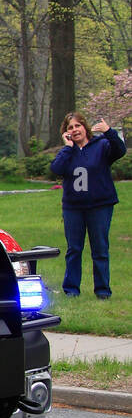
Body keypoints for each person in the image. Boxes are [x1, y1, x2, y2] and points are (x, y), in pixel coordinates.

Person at [51, 112, 125, 298]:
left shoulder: (101, 146)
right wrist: (68, 147)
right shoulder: (67, 152)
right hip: (73, 208)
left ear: (85, 127)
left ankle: (102, 291)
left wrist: (109, 132)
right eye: (70, 128)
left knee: (99, 248)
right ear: (66, 133)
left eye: (78, 126)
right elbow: (56, 169)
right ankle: (71, 290)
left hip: (100, 205)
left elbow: (120, 150)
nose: (75, 130)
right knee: (74, 249)